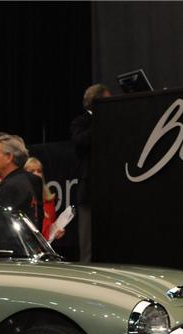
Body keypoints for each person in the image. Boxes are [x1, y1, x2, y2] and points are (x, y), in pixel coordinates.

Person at [70, 83, 111, 262]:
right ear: (98, 101)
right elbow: (80, 141)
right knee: (87, 239)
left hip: (110, 185)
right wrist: (102, 120)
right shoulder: (81, 121)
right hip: (89, 187)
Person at [25, 157, 64, 241]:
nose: (36, 174)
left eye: (39, 171)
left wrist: (57, 231)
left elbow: (51, 226)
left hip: (44, 246)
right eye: (32, 171)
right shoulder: (21, 196)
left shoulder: (48, 199)